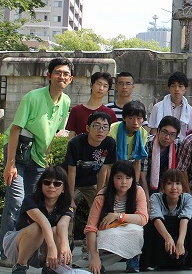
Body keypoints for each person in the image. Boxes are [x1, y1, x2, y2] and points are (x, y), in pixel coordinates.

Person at [0, 57, 73, 268]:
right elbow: (15, 128)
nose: (62, 76)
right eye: (57, 72)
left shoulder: (66, 102)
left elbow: (51, 133)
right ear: (48, 75)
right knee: (15, 198)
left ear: (71, 79)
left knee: (33, 203)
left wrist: (47, 158)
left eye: (66, 74)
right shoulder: (32, 97)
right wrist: (10, 164)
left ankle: (27, 250)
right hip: (18, 153)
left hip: (38, 157)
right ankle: (7, 251)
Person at [3, 166, 73, 274]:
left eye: (57, 184)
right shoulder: (30, 200)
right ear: (41, 185)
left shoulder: (66, 205)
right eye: (47, 182)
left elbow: (63, 225)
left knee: (57, 231)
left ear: (63, 188)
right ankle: (20, 266)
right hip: (19, 246)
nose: (51, 186)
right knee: (37, 227)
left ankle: (50, 266)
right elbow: (44, 223)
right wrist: (52, 247)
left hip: (43, 248)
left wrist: (65, 244)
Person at [64, 111, 117, 255]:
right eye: (97, 126)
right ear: (88, 128)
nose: (101, 130)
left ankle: (90, 247)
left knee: (99, 208)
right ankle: (66, 247)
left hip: (91, 183)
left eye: (105, 127)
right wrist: (69, 196)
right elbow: (71, 171)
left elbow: (103, 169)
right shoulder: (75, 143)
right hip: (72, 183)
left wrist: (100, 194)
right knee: (68, 209)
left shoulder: (109, 143)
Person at [84, 160, 149, 274]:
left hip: (128, 231)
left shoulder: (138, 191)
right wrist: (94, 256)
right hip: (107, 233)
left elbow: (143, 218)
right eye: (119, 178)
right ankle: (99, 260)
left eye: (128, 178)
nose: (124, 182)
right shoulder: (102, 196)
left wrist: (117, 216)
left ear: (133, 179)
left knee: (136, 230)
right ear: (112, 178)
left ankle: (132, 259)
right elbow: (91, 228)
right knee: (109, 236)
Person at [140, 169, 192, 270]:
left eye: (178, 183)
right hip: (161, 233)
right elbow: (156, 218)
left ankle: (188, 261)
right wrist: (168, 238)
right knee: (149, 223)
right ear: (163, 186)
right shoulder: (155, 198)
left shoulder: (189, 199)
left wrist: (180, 241)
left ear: (183, 186)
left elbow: (184, 219)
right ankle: (151, 262)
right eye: (169, 183)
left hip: (180, 231)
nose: (174, 188)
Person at [108, 101, 149, 188]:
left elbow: (137, 161)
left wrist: (136, 184)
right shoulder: (112, 131)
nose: (135, 122)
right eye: (131, 118)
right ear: (124, 118)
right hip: (111, 168)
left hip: (128, 171)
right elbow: (107, 163)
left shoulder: (143, 133)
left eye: (139, 118)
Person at [148, 72, 192, 140]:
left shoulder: (191, 111)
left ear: (186, 89)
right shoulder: (157, 107)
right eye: (173, 86)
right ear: (168, 88)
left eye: (180, 86)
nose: (177, 89)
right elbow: (153, 131)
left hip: (182, 147)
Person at [66, 72, 117, 139]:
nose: (101, 88)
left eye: (105, 86)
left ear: (107, 90)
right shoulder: (76, 110)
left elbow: (112, 138)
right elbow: (71, 137)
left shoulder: (110, 113)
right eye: (99, 84)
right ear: (91, 85)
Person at [141, 115, 181, 199]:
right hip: (148, 179)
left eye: (172, 134)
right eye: (164, 132)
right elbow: (142, 175)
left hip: (166, 180)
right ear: (158, 130)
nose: (167, 137)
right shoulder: (147, 144)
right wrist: (146, 199)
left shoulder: (178, 145)